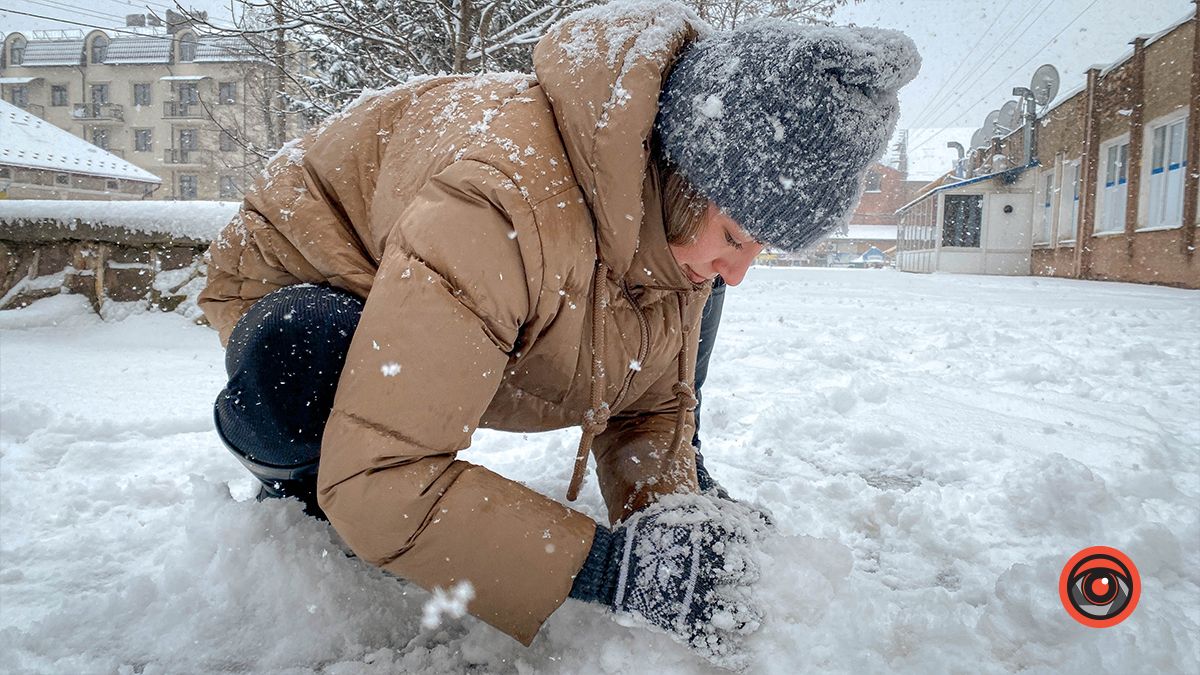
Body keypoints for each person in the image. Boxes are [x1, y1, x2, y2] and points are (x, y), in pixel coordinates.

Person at [199, 0, 918, 661]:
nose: (741, 271)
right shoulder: (502, 205)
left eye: (761, 246)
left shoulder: (663, 214)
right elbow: (383, 477)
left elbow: (650, 402)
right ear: (683, 175)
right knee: (312, 363)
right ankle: (299, 483)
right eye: (736, 233)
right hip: (310, 278)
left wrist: (667, 519)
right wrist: (609, 570)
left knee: (696, 274)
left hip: (475, 281)